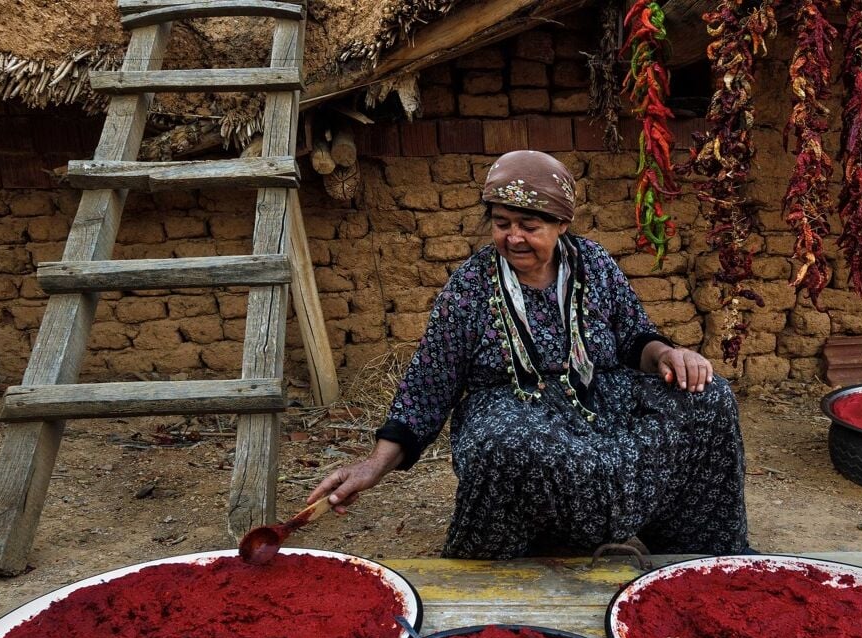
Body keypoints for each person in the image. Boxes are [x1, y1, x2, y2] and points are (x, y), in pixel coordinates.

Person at [308, 150, 749, 558]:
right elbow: (430, 383)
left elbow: (634, 337)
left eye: (529, 226)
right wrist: (373, 466)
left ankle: (694, 551)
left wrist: (669, 355)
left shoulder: (592, 262)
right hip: (515, 406)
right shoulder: (471, 286)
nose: (513, 237)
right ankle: (510, 561)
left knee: (707, 398)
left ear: (561, 225)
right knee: (509, 444)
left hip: (598, 396)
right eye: (502, 223)